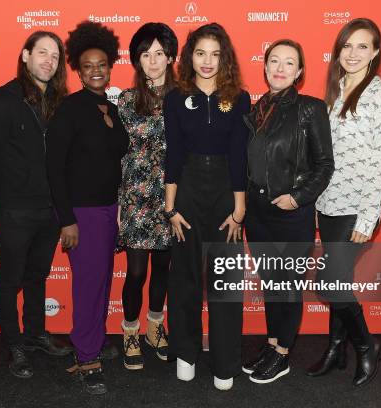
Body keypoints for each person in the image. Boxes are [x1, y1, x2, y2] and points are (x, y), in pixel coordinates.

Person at [0, 31, 73, 380]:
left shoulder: (60, 101)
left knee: (37, 277)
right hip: (13, 210)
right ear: (25, 55)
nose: (48, 60)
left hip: (49, 210)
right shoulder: (4, 99)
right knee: (11, 278)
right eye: (41, 52)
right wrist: (4, 195)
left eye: (55, 56)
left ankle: (34, 335)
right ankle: (14, 344)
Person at [310, 18, 381, 387]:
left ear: (375, 52)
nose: (352, 53)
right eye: (347, 46)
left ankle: (366, 345)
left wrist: (368, 218)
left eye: (362, 46)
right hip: (329, 202)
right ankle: (336, 349)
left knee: (330, 282)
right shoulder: (337, 87)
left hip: (356, 209)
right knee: (340, 279)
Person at [242, 39, 334, 384]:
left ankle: (282, 355)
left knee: (289, 284)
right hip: (258, 213)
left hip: (290, 213)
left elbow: (324, 165)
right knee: (271, 283)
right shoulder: (254, 111)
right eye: (274, 61)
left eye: (289, 63)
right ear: (264, 67)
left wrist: (297, 197)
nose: (280, 68)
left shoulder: (310, 108)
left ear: (300, 72)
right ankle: (272, 343)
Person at [163, 23, 250, 391]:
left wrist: (239, 208)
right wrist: (170, 208)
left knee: (226, 279)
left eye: (215, 54)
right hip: (187, 186)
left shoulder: (240, 97)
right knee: (184, 277)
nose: (208, 61)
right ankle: (185, 353)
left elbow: (239, 154)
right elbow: (174, 152)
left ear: (224, 58)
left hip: (226, 192)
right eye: (201, 53)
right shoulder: (175, 97)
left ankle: (225, 361)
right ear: (189, 57)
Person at [46, 21, 129, 395]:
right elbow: (54, 168)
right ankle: (86, 357)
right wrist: (67, 220)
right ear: (78, 71)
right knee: (88, 285)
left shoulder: (109, 106)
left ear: (110, 65)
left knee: (100, 283)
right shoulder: (70, 109)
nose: (96, 70)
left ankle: (91, 340)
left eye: (102, 64)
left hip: (108, 210)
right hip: (82, 213)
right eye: (88, 65)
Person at [117, 22, 177, 370]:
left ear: (170, 57)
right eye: (145, 54)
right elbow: (115, 155)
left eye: (159, 53)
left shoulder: (186, 99)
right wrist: (119, 205)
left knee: (163, 269)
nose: (152, 61)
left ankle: (156, 326)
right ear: (136, 59)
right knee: (137, 271)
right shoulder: (125, 101)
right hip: (136, 198)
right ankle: (130, 331)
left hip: (171, 196)